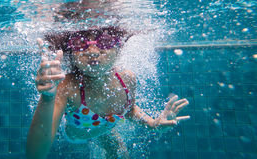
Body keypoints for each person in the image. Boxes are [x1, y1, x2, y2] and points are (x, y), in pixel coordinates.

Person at [26, 26, 190, 159]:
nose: (93, 51)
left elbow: (130, 110)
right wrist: (47, 98)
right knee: (111, 144)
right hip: (79, 135)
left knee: (121, 154)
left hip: (103, 127)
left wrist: (152, 123)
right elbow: (35, 155)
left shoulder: (127, 80)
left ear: (119, 47)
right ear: (71, 52)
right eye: (79, 43)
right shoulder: (67, 87)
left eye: (105, 41)